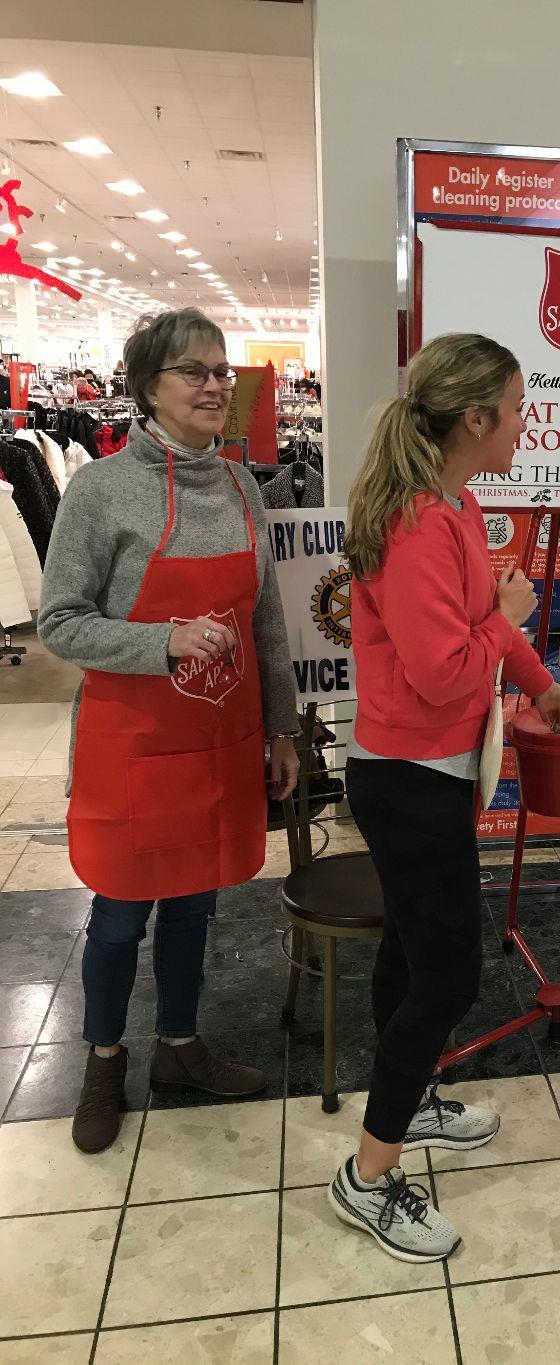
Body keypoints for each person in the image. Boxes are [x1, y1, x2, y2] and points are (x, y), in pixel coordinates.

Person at [330, 332, 560, 1263]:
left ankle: (414, 1094)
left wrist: (539, 678)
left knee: (411, 946)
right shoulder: (416, 521)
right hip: (406, 777)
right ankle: (365, 1176)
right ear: (475, 418)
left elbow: (479, 626)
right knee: (448, 972)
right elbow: (443, 671)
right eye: (515, 408)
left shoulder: (456, 502)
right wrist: (509, 623)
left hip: (430, 772)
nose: (524, 424)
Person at [38, 308, 300, 1154]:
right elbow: (61, 623)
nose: (217, 385)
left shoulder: (241, 486)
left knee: (195, 909)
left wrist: (284, 730)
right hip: (132, 747)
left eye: (223, 371)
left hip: (220, 744)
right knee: (118, 918)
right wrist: (164, 640)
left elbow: (266, 624)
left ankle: (181, 1045)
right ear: (147, 385)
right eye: (196, 370)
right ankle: (104, 1059)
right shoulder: (99, 489)